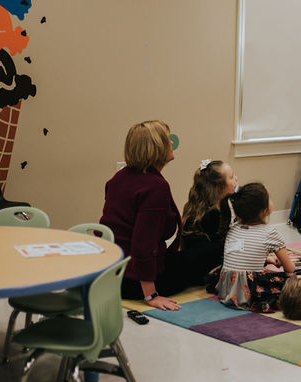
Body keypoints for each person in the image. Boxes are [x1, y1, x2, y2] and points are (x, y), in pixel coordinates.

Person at [100, 120, 182, 311]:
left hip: (111, 273)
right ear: (157, 147)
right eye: (167, 139)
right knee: (206, 255)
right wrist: (151, 295)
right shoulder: (155, 186)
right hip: (134, 280)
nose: (171, 142)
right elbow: (144, 243)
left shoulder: (120, 177)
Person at [156, 159, 238, 296]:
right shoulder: (213, 214)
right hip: (197, 272)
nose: (236, 178)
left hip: (191, 264)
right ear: (219, 187)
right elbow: (224, 250)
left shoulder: (196, 207)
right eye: (231, 177)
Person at [214, 182, 296, 312]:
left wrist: (267, 260)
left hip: (227, 288)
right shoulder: (270, 233)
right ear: (264, 210)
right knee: (299, 277)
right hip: (250, 292)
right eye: (270, 199)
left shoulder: (233, 228)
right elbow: (290, 269)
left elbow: (242, 254)